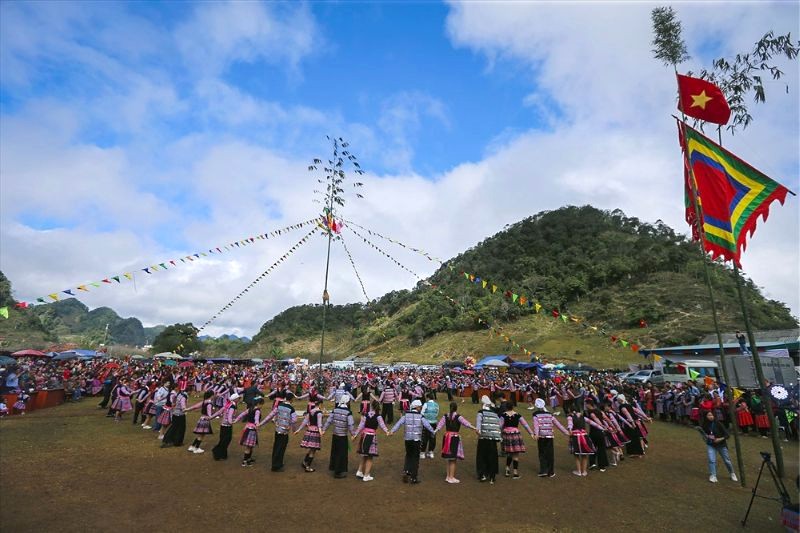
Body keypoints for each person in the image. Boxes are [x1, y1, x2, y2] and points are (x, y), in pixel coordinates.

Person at [390, 399, 436, 484]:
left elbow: (399, 423)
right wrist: (433, 432)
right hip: (416, 439)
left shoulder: (405, 415)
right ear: (417, 407)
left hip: (407, 439)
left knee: (408, 455)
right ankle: (414, 477)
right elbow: (427, 425)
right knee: (415, 457)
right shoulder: (421, 416)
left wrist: (392, 431)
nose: (421, 408)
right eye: (420, 406)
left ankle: (407, 470)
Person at [436, 402, 477, 484]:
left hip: (447, 437)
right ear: (456, 408)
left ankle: (448, 476)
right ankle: (451, 477)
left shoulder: (445, 416)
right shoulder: (458, 417)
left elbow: (440, 425)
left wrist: (435, 431)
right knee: (453, 459)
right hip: (454, 438)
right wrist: (475, 428)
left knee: (448, 458)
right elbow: (466, 424)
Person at [352, 399, 390, 482]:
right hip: (371, 436)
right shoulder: (378, 416)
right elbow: (382, 425)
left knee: (364, 454)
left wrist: (355, 435)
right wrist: (387, 431)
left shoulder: (366, 415)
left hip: (364, 435)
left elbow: (360, 426)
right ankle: (366, 475)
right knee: (370, 456)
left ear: (371, 406)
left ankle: (359, 471)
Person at [531, 398, 569, 478]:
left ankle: (543, 470)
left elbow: (536, 425)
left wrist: (536, 434)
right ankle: (550, 471)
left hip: (541, 436)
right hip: (549, 436)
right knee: (550, 453)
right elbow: (558, 424)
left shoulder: (535, 415)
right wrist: (566, 432)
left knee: (542, 453)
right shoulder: (550, 414)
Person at [260, 393, 298, 472]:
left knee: (276, 446)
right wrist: (294, 430)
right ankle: (277, 465)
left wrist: (261, 423)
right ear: (291, 400)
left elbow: (270, 415)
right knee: (281, 448)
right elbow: (294, 420)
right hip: (284, 432)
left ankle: (276, 463)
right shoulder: (291, 409)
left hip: (277, 430)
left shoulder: (279, 406)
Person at [500, 401, 534, 479]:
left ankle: (507, 469)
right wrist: (531, 433)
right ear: (513, 407)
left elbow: (500, 426)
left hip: (507, 435)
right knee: (515, 454)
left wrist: (499, 434)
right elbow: (525, 425)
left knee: (509, 453)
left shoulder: (503, 415)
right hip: (516, 435)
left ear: (506, 407)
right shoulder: (518, 415)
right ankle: (515, 472)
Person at [322, 398, 356, 478]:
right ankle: (338, 471)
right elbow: (350, 425)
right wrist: (353, 434)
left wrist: (324, 429)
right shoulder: (348, 412)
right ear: (347, 402)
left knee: (335, 452)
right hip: (343, 436)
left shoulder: (335, 410)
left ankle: (334, 468)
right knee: (342, 454)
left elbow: (329, 421)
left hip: (335, 435)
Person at [701, 410, 738, 483]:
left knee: (727, 461)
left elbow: (727, 435)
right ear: (706, 417)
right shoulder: (705, 425)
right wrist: (707, 436)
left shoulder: (718, 424)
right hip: (711, 445)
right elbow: (704, 434)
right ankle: (713, 475)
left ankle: (732, 473)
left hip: (721, 445)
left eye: (712, 415)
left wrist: (719, 439)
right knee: (711, 460)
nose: (711, 417)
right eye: (709, 415)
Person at [475, 395, 502, 484]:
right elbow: (499, 424)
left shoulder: (480, 412)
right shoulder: (495, 414)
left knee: (482, 456)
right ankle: (492, 476)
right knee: (492, 456)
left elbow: (478, 423)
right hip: (493, 438)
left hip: (483, 438)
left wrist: (478, 430)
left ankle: (482, 474)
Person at [294, 399, 324, 472]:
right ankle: (308, 467)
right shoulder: (319, 413)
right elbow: (319, 424)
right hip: (315, 432)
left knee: (311, 448)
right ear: (320, 405)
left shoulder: (310, 411)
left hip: (309, 431)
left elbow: (305, 422)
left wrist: (298, 430)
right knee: (313, 450)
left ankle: (304, 462)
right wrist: (321, 432)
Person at [234, 397, 264, 467]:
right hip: (252, 430)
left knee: (250, 446)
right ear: (259, 404)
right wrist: (257, 424)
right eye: (262, 404)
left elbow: (242, 414)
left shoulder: (250, 409)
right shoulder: (257, 411)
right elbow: (256, 419)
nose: (262, 406)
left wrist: (236, 420)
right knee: (248, 446)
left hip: (247, 427)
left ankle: (248, 458)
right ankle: (245, 461)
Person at [210, 393, 239, 460]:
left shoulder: (228, 404)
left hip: (223, 425)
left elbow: (219, 412)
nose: (239, 399)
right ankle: (216, 451)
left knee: (223, 440)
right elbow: (229, 416)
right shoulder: (232, 406)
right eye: (238, 398)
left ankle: (223, 455)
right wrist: (231, 422)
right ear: (235, 399)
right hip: (227, 426)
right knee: (226, 440)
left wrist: (211, 417)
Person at [421, 393, 439, 459]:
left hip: (426, 423)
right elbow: (437, 413)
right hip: (434, 423)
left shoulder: (426, 404)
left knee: (425, 437)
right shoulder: (437, 405)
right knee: (432, 438)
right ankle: (431, 452)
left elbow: (422, 413)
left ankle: (422, 453)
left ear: (428, 398)